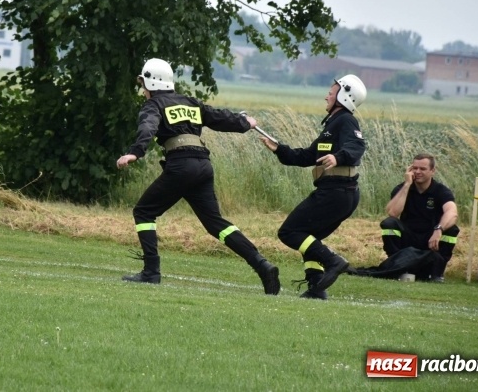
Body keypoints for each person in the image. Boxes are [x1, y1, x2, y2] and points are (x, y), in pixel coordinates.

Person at [116, 58, 280, 295]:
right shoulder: (190, 102)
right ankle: (261, 264)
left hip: (181, 165)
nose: (143, 90)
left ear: (150, 82)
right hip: (203, 166)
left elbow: (148, 127)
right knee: (216, 224)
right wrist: (245, 122)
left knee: (143, 212)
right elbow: (219, 117)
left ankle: (151, 272)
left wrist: (135, 152)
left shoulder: (154, 105)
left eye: (143, 84)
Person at [258, 75, 366, 300]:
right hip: (338, 192)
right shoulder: (332, 124)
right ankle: (317, 288)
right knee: (308, 237)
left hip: (337, 191)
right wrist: (279, 149)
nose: (326, 95)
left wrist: (338, 157)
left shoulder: (346, 121)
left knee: (289, 232)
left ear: (344, 95)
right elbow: (308, 156)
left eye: (331, 91)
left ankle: (333, 262)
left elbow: (356, 145)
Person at [381, 153, 459, 282]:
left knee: (451, 228)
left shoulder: (441, 191)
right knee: (389, 224)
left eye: (422, 169)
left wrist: (438, 229)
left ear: (432, 171)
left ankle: (436, 272)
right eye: (414, 168)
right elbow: (393, 213)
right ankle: (398, 267)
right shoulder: (402, 188)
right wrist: (407, 185)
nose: (417, 172)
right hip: (408, 238)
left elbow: (452, 212)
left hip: (432, 239)